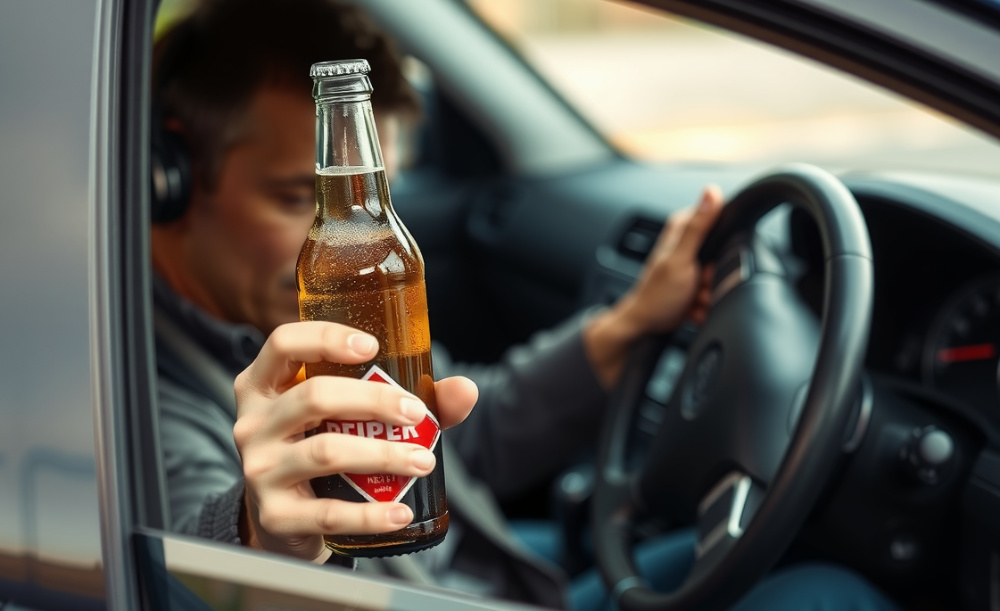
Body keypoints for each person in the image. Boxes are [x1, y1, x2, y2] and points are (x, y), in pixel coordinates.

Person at [149, 1, 901, 610]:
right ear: (169, 176)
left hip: (480, 567)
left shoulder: (288, 310)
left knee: (795, 546)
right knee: (829, 594)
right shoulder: (138, 383)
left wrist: (629, 323)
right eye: (291, 197)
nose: (334, 229)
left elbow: (451, 440)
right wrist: (263, 539)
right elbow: (187, 563)